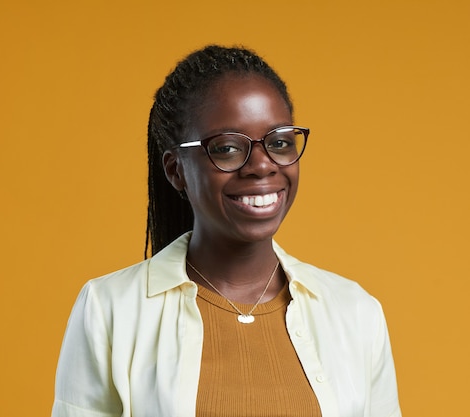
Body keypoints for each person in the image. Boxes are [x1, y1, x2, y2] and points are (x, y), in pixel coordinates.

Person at [52, 45, 401, 417]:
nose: (262, 166)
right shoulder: (109, 309)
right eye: (228, 148)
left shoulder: (355, 311)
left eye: (280, 142)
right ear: (176, 170)